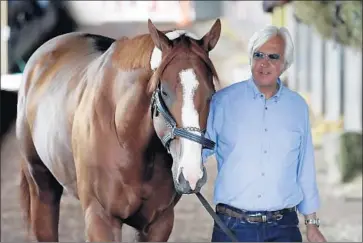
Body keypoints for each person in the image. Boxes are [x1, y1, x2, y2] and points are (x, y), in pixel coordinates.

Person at [202, 25, 327, 242]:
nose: (264, 63)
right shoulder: (222, 102)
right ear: (250, 58)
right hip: (232, 228)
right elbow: (195, 153)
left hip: (284, 229)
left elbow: (305, 170)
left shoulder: (297, 107)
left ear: (285, 65)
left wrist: (312, 224)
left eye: (273, 56)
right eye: (258, 54)